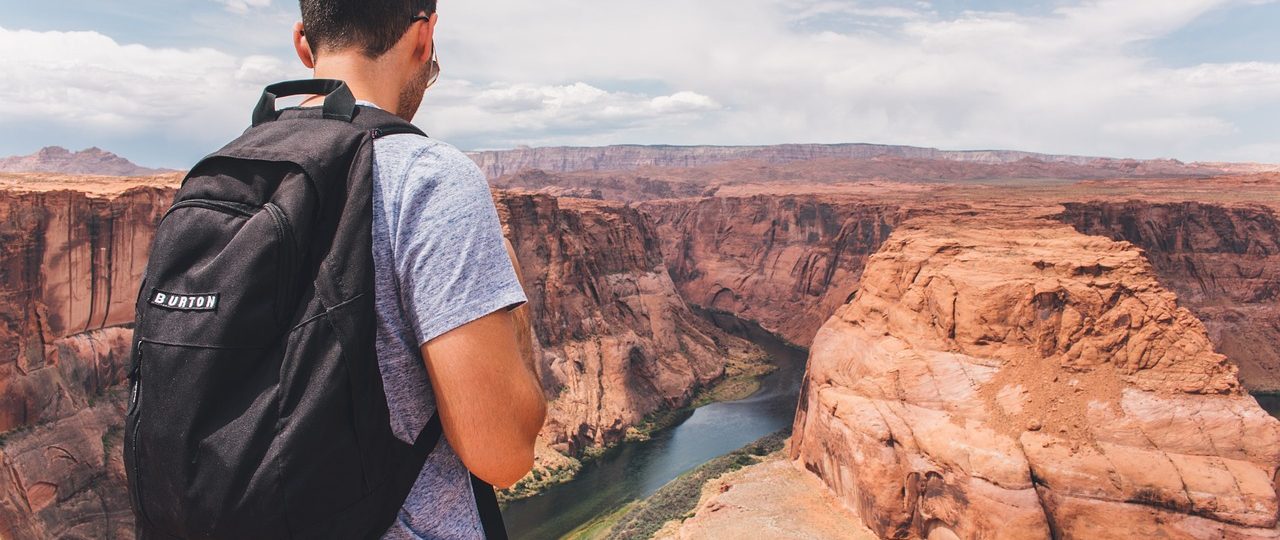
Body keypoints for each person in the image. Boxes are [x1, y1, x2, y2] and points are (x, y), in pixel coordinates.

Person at [291, 0, 546, 537]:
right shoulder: (428, 178)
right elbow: (503, 454)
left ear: (303, 44)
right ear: (425, 38)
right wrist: (513, 310)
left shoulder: (220, 178)